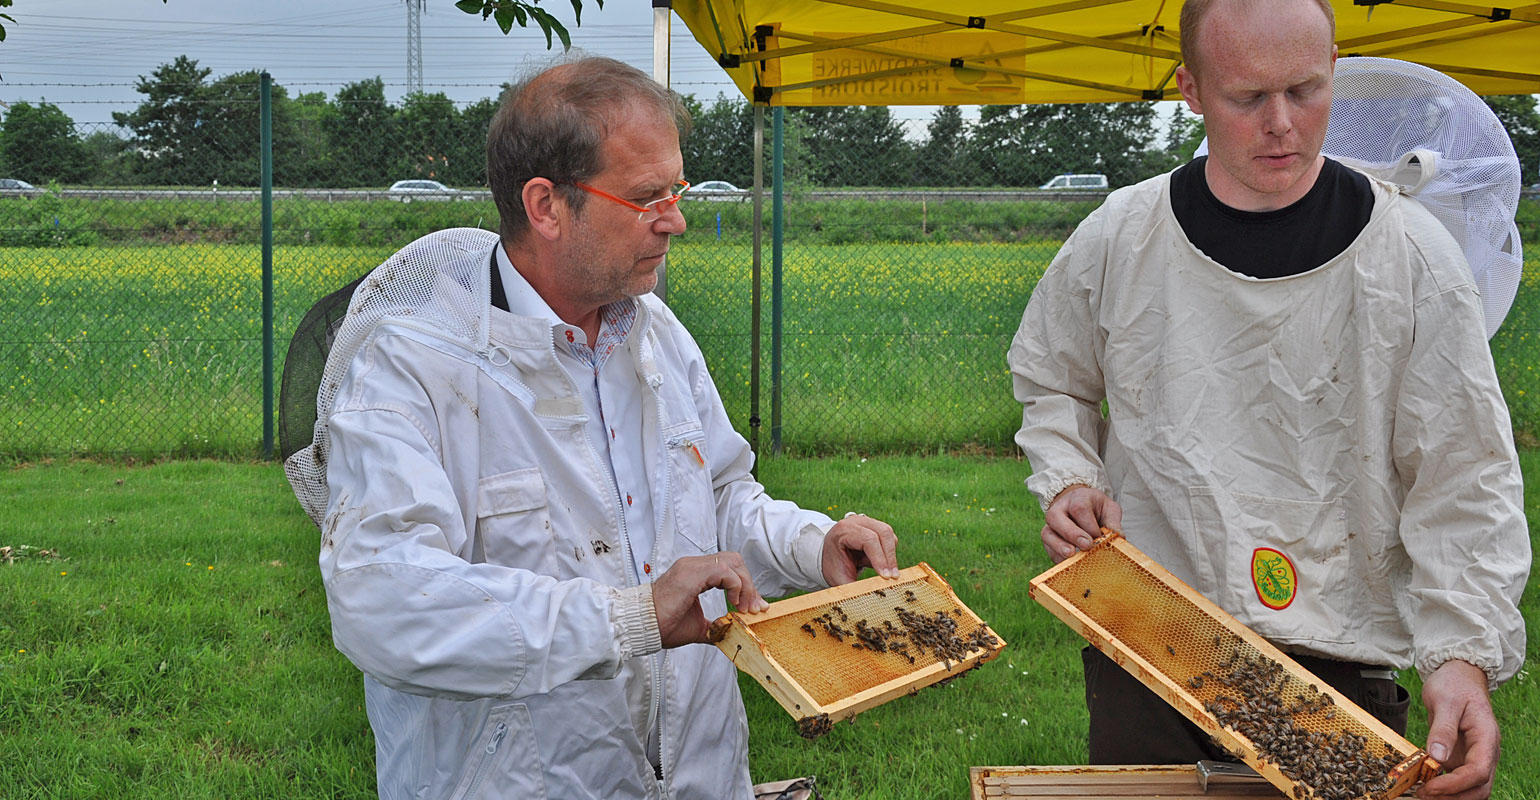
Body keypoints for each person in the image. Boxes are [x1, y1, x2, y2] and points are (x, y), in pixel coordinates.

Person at [295, 57, 899, 799]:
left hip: (701, 775)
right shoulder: (410, 371)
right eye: (647, 196)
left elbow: (718, 499)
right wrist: (630, 618)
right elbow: (385, 600)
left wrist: (813, 545)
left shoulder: (660, 335)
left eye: (675, 190)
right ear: (546, 206)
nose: (675, 218)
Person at [1007, 1, 1528, 797]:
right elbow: (1053, 378)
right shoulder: (1121, 236)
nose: (1282, 123)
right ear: (1191, 89)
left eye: (1306, 90)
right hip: (1149, 646)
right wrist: (1071, 479)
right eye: (1248, 98)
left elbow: (1462, 473)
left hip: (1341, 661)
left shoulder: (1414, 256)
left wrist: (1461, 658)